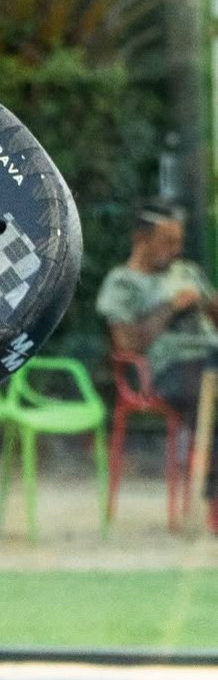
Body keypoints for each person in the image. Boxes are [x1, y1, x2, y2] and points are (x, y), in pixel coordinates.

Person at [97, 201, 218, 508]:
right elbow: (126, 345)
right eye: (168, 242)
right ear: (141, 239)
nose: (177, 250)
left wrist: (209, 305)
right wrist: (171, 307)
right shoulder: (122, 282)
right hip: (166, 370)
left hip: (210, 356)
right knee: (210, 389)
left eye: (179, 242)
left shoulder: (187, 271)